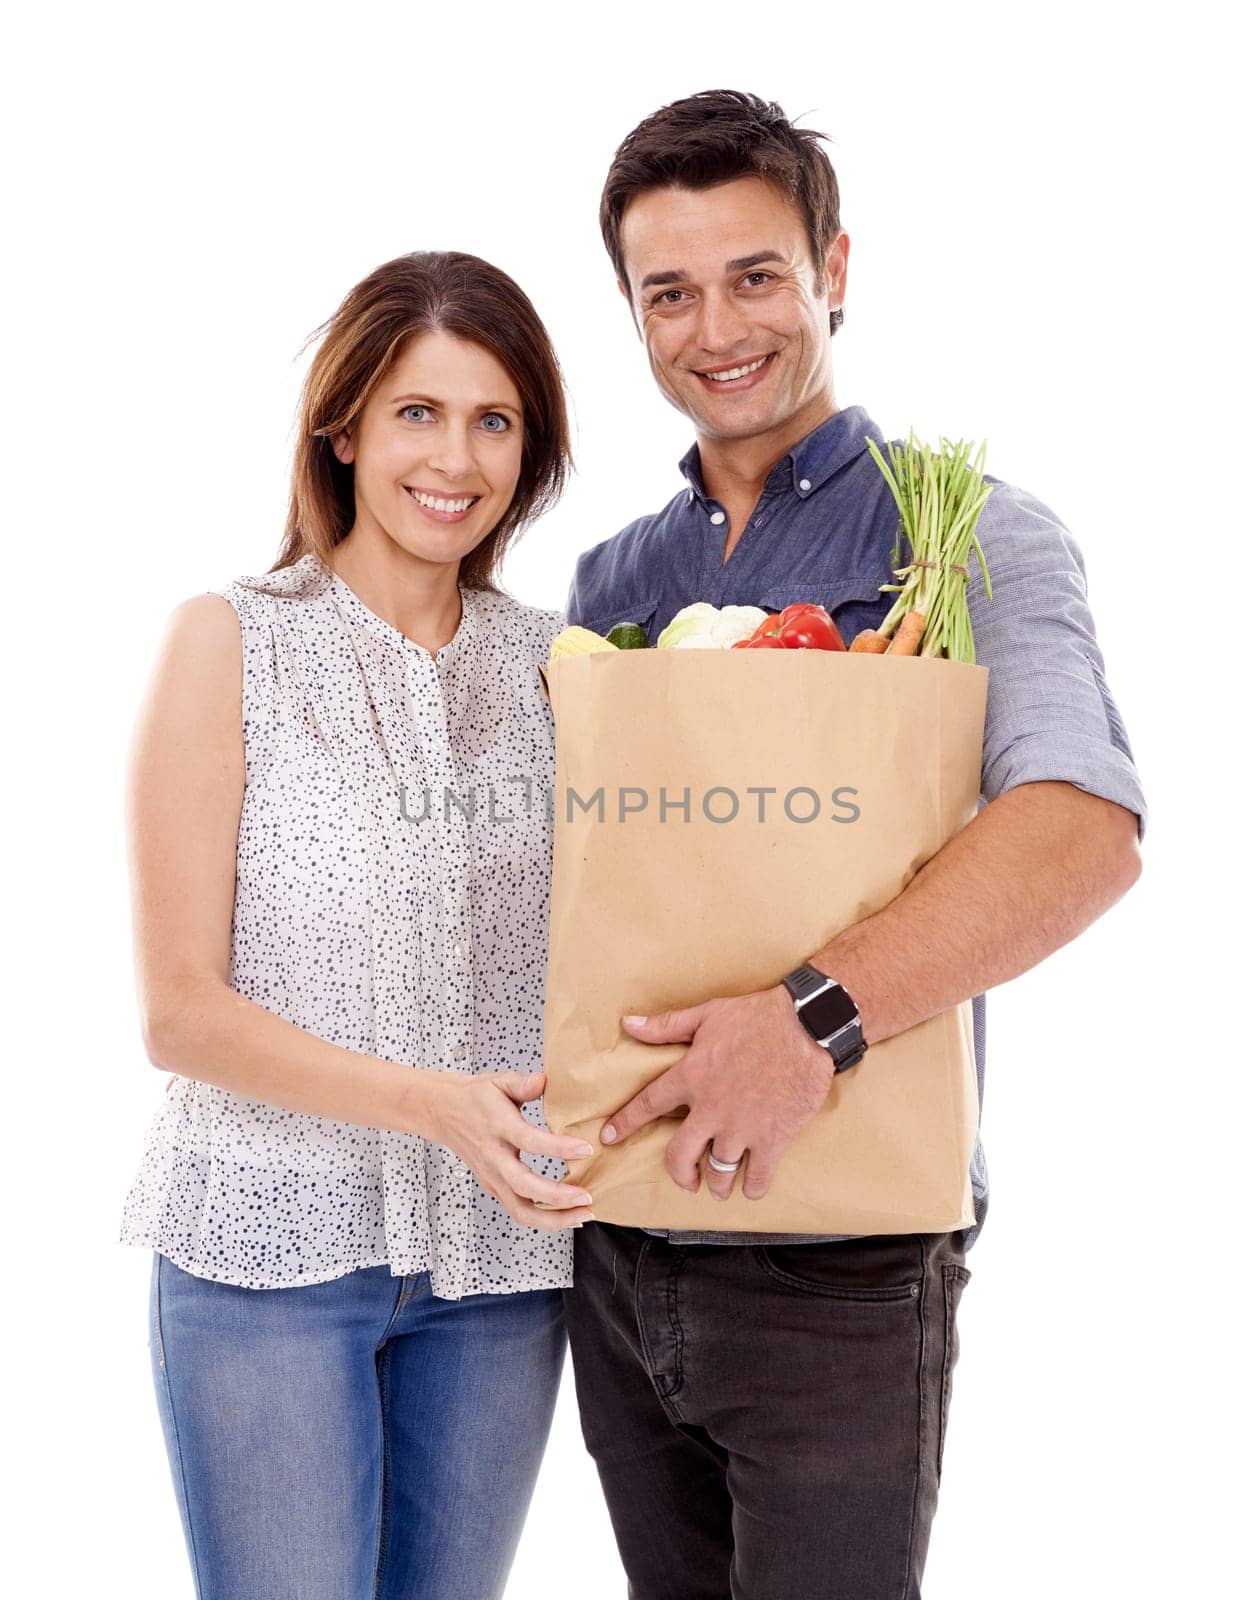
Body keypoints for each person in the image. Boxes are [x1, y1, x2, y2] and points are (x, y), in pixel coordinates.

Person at [561, 91, 1147, 1599]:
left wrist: (811, 1019)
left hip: (844, 1268)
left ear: (835, 267)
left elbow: (1080, 831)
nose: (716, 327)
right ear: (630, 315)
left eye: (755, 274)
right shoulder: (614, 577)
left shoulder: (971, 538)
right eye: (666, 292)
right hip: (620, 1244)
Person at [118, 250, 595, 1600]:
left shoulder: (563, 671)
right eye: (417, 413)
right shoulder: (231, 642)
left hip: (502, 1275)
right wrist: (431, 1104)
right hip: (265, 1256)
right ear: (344, 429)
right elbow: (178, 1010)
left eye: (494, 419)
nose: (456, 457)